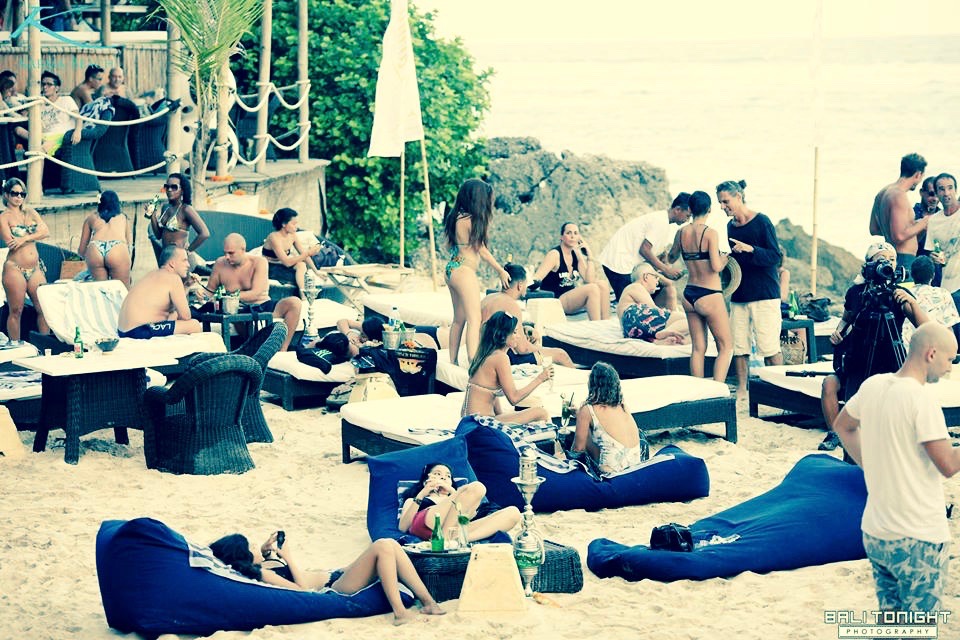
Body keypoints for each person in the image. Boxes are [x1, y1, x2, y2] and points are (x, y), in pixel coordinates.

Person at [833, 322, 959, 613]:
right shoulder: (921, 400)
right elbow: (948, 464)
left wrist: (870, 464)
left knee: (890, 621)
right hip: (918, 536)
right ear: (931, 354)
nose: (950, 368)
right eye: (950, 359)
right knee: (918, 627)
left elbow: (843, 425)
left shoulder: (873, 386)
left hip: (877, 533)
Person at [819, 243, 929, 451]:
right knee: (832, 386)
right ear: (869, 265)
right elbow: (846, 318)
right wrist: (838, 332)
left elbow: (926, 328)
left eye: (891, 260)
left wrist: (912, 303)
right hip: (858, 362)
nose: (887, 264)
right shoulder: (857, 293)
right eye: (881, 260)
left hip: (889, 363)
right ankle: (837, 435)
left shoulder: (898, 294)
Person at [209, 531, 445, 626]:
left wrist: (266, 549)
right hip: (334, 588)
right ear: (242, 555)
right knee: (383, 546)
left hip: (335, 574)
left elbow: (269, 564)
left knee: (391, 545)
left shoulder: (260, 566)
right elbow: (302, 592)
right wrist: (289, 557)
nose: (255, 547)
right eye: (250, 547)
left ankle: (428, 602)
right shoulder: (263, 574)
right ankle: (400, 612)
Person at [719, 179, 783, 397]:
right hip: (739, 294)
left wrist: (751, 249)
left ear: (738, 197)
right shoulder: (729, 227)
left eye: (726, 201)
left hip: (765, 294)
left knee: (769, 346)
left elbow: (775, 256)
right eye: (720, 203)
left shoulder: (762, 221)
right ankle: (742, 390)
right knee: (739, 347)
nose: (722, 207)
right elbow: (734, 263)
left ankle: (779, 390)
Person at [664, 190, 733, 382]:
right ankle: (717, 390)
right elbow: (716, 266)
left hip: (689, 294)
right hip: (709, 294)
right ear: (709, 209)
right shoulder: (710, 233)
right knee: (726, 347)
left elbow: (671, 257)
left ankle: (699, 392)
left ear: (690, 209)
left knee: (697, 348)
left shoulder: (681, 232)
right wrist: (726, 257)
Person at [442, 178, 509, 365]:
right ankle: (474, 362)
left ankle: (453, 361)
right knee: (474, 318)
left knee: (459, 320)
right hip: (464, 272)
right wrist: (500, 270)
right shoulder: (470, 220)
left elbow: (450, 245)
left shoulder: (456, 217)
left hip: (452, 269)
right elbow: (482, 250)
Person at [203, 233, 302, 351]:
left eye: (231, 253)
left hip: (262, 305)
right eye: (225, 253)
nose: (227, 257)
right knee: (233, 314)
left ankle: (282, 350)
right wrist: (200, 293)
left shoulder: (259, 262)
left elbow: (256, 293)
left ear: (243, 249)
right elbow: (209, 291)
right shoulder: (220, 263)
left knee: (295, 303)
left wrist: (227, 297)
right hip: (236, 310)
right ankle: (252, 349)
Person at [460, 310, 553, 424]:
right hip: (480, 423)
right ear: (503, 335)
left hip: (469, 421)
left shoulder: (485, 354)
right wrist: (540, 378)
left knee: (520, 414)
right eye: (515, 332)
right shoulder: (501, 358)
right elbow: (514, 398)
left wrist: (508, 419)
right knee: (541, 412)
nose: (519, 336)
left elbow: (493, 398)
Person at [398, 462, 521, 544]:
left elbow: (468, 518)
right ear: (426, 480)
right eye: (437, 474)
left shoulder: (464, 496)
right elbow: (403, 527)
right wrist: (423, 493)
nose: (443, 477)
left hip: (456, 529)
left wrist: (453, 492)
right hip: (428, 522)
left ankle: (459, 540)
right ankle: (445, 540)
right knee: (478, 487)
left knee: (513, 513)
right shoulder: (416, 499)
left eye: (448, 476)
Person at [599, 193, 692, 300]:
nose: (688, 220)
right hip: (618, 263)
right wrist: (666, 269)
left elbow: (649, 251)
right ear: (677, 209)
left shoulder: (662, 220)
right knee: (629, 301)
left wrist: (663, 263)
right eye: (687, 216)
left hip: (621, 262)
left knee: (648, 293)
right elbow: (644, 250)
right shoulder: (660, 221)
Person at [479, 262, 574, 367]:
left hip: (484, 354)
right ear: (520, 285)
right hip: (502, 359)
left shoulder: (488, 298)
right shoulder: (511, 304)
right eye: (525, 284)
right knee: (561, 354)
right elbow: (523, 349)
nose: (526, 288)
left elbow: (496, 327)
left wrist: (524, 329)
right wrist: (546, 349)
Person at [570, 362, 647, 476]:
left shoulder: (588, 409)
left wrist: (564, 457)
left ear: (592, 384)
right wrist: (579, 416)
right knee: (595, 435)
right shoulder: (623, 406)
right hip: (634, 473)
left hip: (610, 476)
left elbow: (577, 450)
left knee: (580, 441)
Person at [0, 177, 49, 343]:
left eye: (22, 194)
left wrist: (23, 238)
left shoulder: (30, 212)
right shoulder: (4, 217)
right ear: (6, 195)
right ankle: (16, 346)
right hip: (15, 268)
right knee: (16, 310)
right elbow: (11, 242)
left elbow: (46, 231)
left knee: (44, 308)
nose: (19, 197)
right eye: (15, 193)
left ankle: (44, 345)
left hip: (35, 268)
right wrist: (34, 234)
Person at [531, 222, 611, 320]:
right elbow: (538, 276)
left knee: (602, 284)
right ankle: (596, 325)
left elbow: (589, 280)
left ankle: (605, 322)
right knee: (592, 289)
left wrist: (589, 256)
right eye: (568, 233)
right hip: (556, 300)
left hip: (570, 299)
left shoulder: (576, 255)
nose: (572, 236)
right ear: (561, 237)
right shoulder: (555, 254)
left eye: (575, 233)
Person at [117, 246, 202, 339]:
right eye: (184, 260)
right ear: (172, 264)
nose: (188, 265)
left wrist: (187, 286)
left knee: (173, 315)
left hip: (123, 331)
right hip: (139, 331)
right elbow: (186, 316)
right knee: (194, 325)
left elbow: (169, 307)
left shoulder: (152, 274)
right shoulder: (173, 278)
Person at [868, 152, 928, 273]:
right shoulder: (899, 195)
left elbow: (874, 229)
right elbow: (899, 236)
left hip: (891, 257)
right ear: (918, 174)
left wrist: (914, 226)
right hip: (903, 260)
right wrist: (924, 222)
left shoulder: (883, 192)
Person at [147, 173, 210, 271]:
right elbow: (159, 235)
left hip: (181, 261)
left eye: (174, 187)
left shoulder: (186, 209)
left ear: (182, 190)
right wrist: (152, 216)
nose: (169, 190)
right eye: (167, 187)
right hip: (166, 258)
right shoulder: (165, 207)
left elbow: (204, 233)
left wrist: (187, 251)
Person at [616, 264, 689, 345]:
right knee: (689, 320)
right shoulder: (636, 286)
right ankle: (664, 332)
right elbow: (653, 308)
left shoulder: (626, 295)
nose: (657, 282)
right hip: (634, 316)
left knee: (687, 328)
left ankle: (658, 340)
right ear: (646, 277)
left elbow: (636, 325)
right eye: (656, 277)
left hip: (631, 330)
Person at [13, 71, 80, 157]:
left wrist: (78, 131)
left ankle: (38, 153)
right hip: (42, 137)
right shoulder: (39, 103)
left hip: (60, 136)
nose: (45, 87)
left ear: (57, 88)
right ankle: (40, 145)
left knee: (40, 151)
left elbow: (78, 117)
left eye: (49, 84)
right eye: (43, 84)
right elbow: (24, 116)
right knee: (18, 129)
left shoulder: (66, 100)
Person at [77, 190, 131, 287]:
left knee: (101, 292)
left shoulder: (91, 218)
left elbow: (81, 251)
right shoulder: (123, 217)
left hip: (95, 248)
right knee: (122, 291)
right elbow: (128, 245)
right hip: (117, 248)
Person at [262, 207, 320, 297]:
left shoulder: (292, 235)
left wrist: (316, 272)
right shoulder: (274, 237)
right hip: (270, 267)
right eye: (293, 224)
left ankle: (304, 297)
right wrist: (308, 253)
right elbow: (287, 262)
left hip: (282, 266)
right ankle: (304, 297)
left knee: (302, 265)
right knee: (302, 275)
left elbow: (303, 254)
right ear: (284, 224)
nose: (296, 226)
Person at [903, 256, 960, 345]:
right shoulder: (943, 293)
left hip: (908, 346)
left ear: (911, 274)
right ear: (933, 275)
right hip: (936, 346)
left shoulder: (905, 294)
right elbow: (949, 326)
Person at [925, 172, 960, 313]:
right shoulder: (933, 221)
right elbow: (931, 252)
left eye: (950, 188)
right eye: (941, 189)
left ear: (956, 190)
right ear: (937, 193)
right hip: (948, 287)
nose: (946, 193)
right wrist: (933, 258)